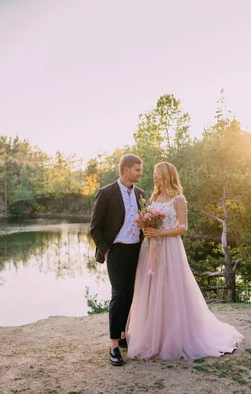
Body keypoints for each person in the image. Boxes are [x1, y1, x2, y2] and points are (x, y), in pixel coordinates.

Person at [126, 161, 243, 360]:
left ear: (167, 175)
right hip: (152, 248)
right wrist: (146, 228)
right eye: (154, 174)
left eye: (157, 174)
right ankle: (155, 335)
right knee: (152, 290)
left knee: (172, 290)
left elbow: (183, 228)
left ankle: (177, 336)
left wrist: (160, 232)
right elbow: (149, 221)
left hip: (170, 248)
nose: (154, 177)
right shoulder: (154, 197)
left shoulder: (179, 199)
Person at [89, 154, 144, 366]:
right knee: (118, 294)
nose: (140, 173)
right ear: (126, 170)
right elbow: (94, 227)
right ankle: (113, 346)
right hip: (116, 251)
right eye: (137, 170)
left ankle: (122, 336)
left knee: (130, 293)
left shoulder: (140, 194)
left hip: (136, 251)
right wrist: (106, 251)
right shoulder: (106, 193)